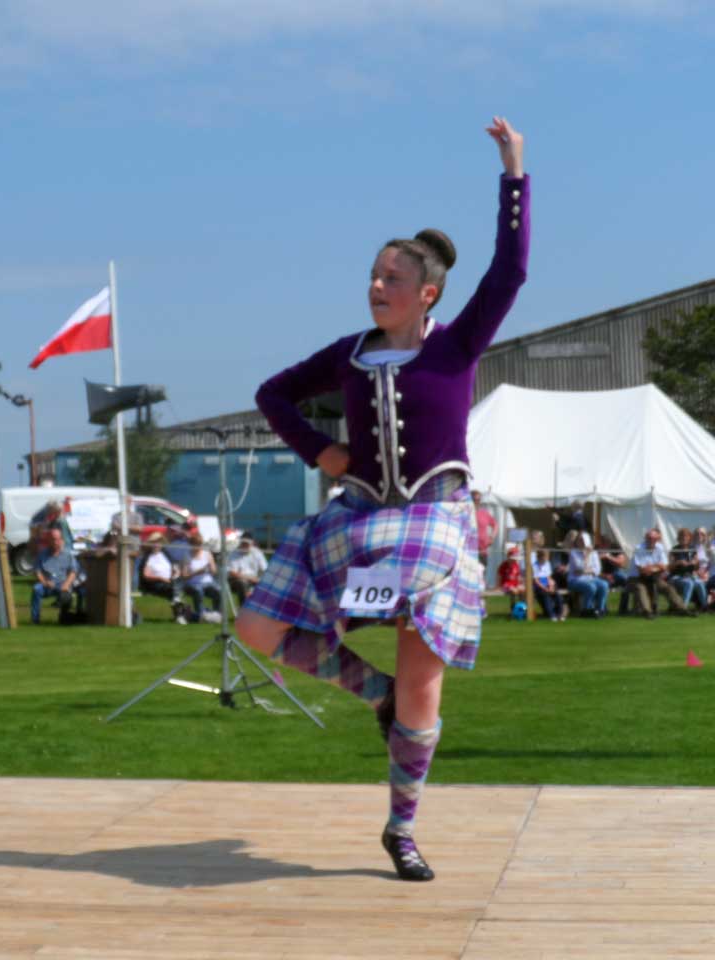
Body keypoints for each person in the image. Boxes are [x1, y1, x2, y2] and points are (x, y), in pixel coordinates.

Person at [235, 118, 529, 882]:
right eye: (373, 274)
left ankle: (401, 828)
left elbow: (510, 273)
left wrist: (513, 174)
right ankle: (375, 693)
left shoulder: (455, 345)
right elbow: (271, 394)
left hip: (432, 516)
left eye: (392, 278)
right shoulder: (349, 355)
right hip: (361, 510)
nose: (376, 286)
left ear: (426, 293)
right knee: (257, 627)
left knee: (423, 674)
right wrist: (322, 452)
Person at [626, 527, 691, 619]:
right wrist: (657, 566)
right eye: (649, 538)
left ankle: (683, 609)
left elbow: (664, 567)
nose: (651, 540)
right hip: (636, 578)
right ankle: (647, 612)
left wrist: (652, 568)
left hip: (653, 577)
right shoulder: (639, 548)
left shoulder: (660, 547)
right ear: (645, 538)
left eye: (653, 539)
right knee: (641, 588)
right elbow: (642, 570)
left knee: (667, 587)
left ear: (657, 539)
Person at [31, 529, 79, 624]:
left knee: (67, 594)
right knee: (36, 589)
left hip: (63, 584)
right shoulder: (42, 554)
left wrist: (66, 585)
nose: (55, 542)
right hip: (47, 584)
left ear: (61, 540)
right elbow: (37, 571)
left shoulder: (68, 554)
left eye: (57, 539)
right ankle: (35, 619)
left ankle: (64, 618)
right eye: (53, 539)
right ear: (48, 541)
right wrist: (44, 582)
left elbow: (73, 572)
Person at [138, 533, 188, 623]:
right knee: (175, 591)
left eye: (159, 542)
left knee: (177, 587)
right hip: (155, 584)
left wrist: (175, 572)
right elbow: (146, 575)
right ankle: (180, 615)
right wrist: (161, 578)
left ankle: (181, 614)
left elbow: (174, 566)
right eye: (155, 542)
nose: (157, 545)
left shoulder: (165, 554)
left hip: (171, 581)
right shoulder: (148, 557)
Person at [564, 531, 608, 617]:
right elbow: (579, 568)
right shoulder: (574, 553)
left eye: (582, 540)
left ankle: (600, 609)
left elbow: (597, 570)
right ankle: (586, 610)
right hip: (575, 580)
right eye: (579, 540)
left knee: (604, 584)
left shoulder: (594, 553)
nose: (581, 543)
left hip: (590, 578)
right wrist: (586, 556)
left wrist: (585, 571)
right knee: (591, 587)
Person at [180, 533, 221, 623]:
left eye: (199, 544)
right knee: (198, 590)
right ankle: (201, 614)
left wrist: (211, 568)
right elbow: (184, 575)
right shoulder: (187, 556)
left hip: (208, 582)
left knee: (218, 590)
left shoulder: (207, 554)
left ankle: (217, 614)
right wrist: (196, 572)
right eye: (195, 544)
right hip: (193, 583)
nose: (198, 546)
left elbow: (214, 571)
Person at [669, 528, 706, 612]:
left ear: (689, 538)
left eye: (686, 537)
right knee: (689, 583)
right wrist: (678, 562)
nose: (684, 539)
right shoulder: (674, 550)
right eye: (682, 537)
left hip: (690, 576)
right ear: (678, 538)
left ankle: (704, 606)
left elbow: (697, 565)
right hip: (676, 577)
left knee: (700, 583)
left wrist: (695, 562)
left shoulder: (692, 549)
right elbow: (669, 567)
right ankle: (683, 608)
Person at [227, 535, 268, 607]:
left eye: (247, 544)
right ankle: (243, 610)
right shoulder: (233, 553)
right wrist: (251, 579)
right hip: (236, 581)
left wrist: (261, 579)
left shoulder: (257, 553)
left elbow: (265, 569)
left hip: (253, 579)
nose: (244, 545)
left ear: (252, 544)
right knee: (242, 583)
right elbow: (232, 573)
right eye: (243, 543)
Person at [531, 549, 565, 621]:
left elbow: (549, 577)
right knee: (546, 597)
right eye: (544, 557)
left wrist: (551, 586)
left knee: (558, 596)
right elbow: (536, 580)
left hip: (547, 583)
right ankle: (551, 615)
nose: (546, 559)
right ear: (540, 557)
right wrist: (545, 588)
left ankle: (560, 614)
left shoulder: (547, 563)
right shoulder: (535, 565)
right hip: (539, 585)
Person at [472, 491, 497, 569]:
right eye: (474, 499)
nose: (477, 501)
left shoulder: (484, 513)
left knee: (481, 575)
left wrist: (492, 537)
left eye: (479, 499)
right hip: (470, 551)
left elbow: (495, 524)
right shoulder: (466, 512)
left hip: (483, 552)